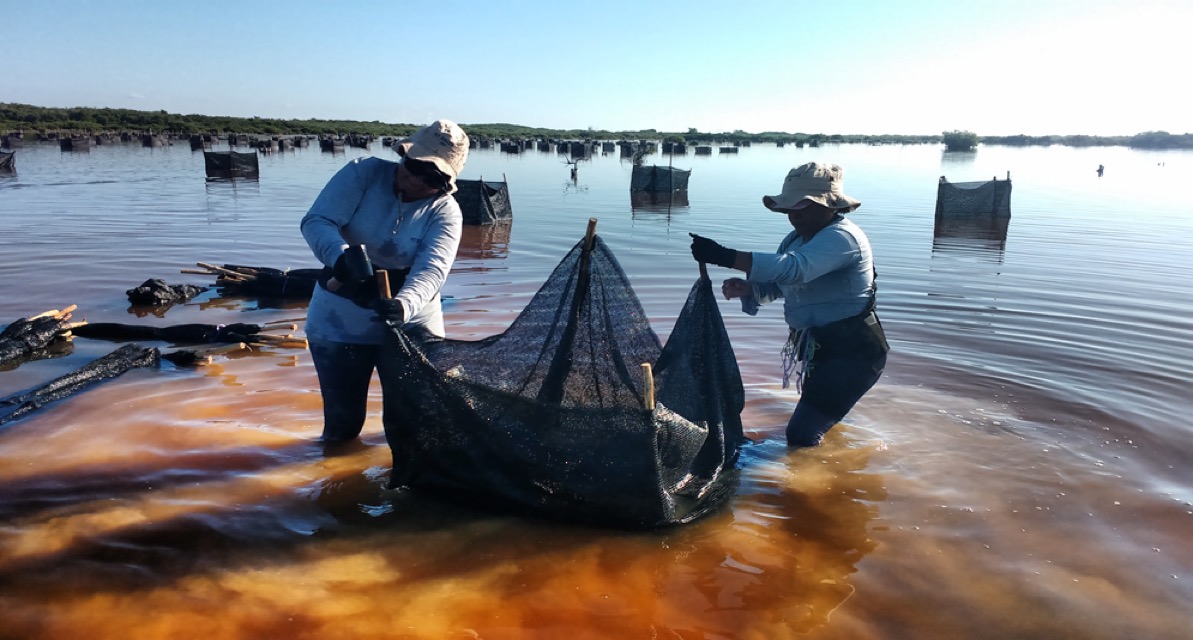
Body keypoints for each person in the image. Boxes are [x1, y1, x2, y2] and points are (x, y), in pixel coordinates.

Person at [689, 161, 889, 447]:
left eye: (803, 206)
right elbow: (783, 284)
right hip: (821, 350)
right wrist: (750, 288)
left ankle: (815, 474)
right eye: (790, 208)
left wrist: (724, 256)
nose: (794, 215)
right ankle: (835, 454)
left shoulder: (842, 238)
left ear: (830, 205)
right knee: (814, 421)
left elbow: (794, 269)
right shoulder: (795, 240)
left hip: (855, 353)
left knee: (801, 434)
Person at [300, 119, 469, 445]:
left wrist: (403, 306)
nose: (417, 179)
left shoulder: (446, 212)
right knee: (343, 426)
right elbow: (317, 221)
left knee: (414, 423)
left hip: (412, 323)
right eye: (415, 166)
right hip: (339, 322)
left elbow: (432, 270)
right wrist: (341, 259)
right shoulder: (363, 173)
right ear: (404, 155)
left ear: (446, 184)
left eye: (433, 177)